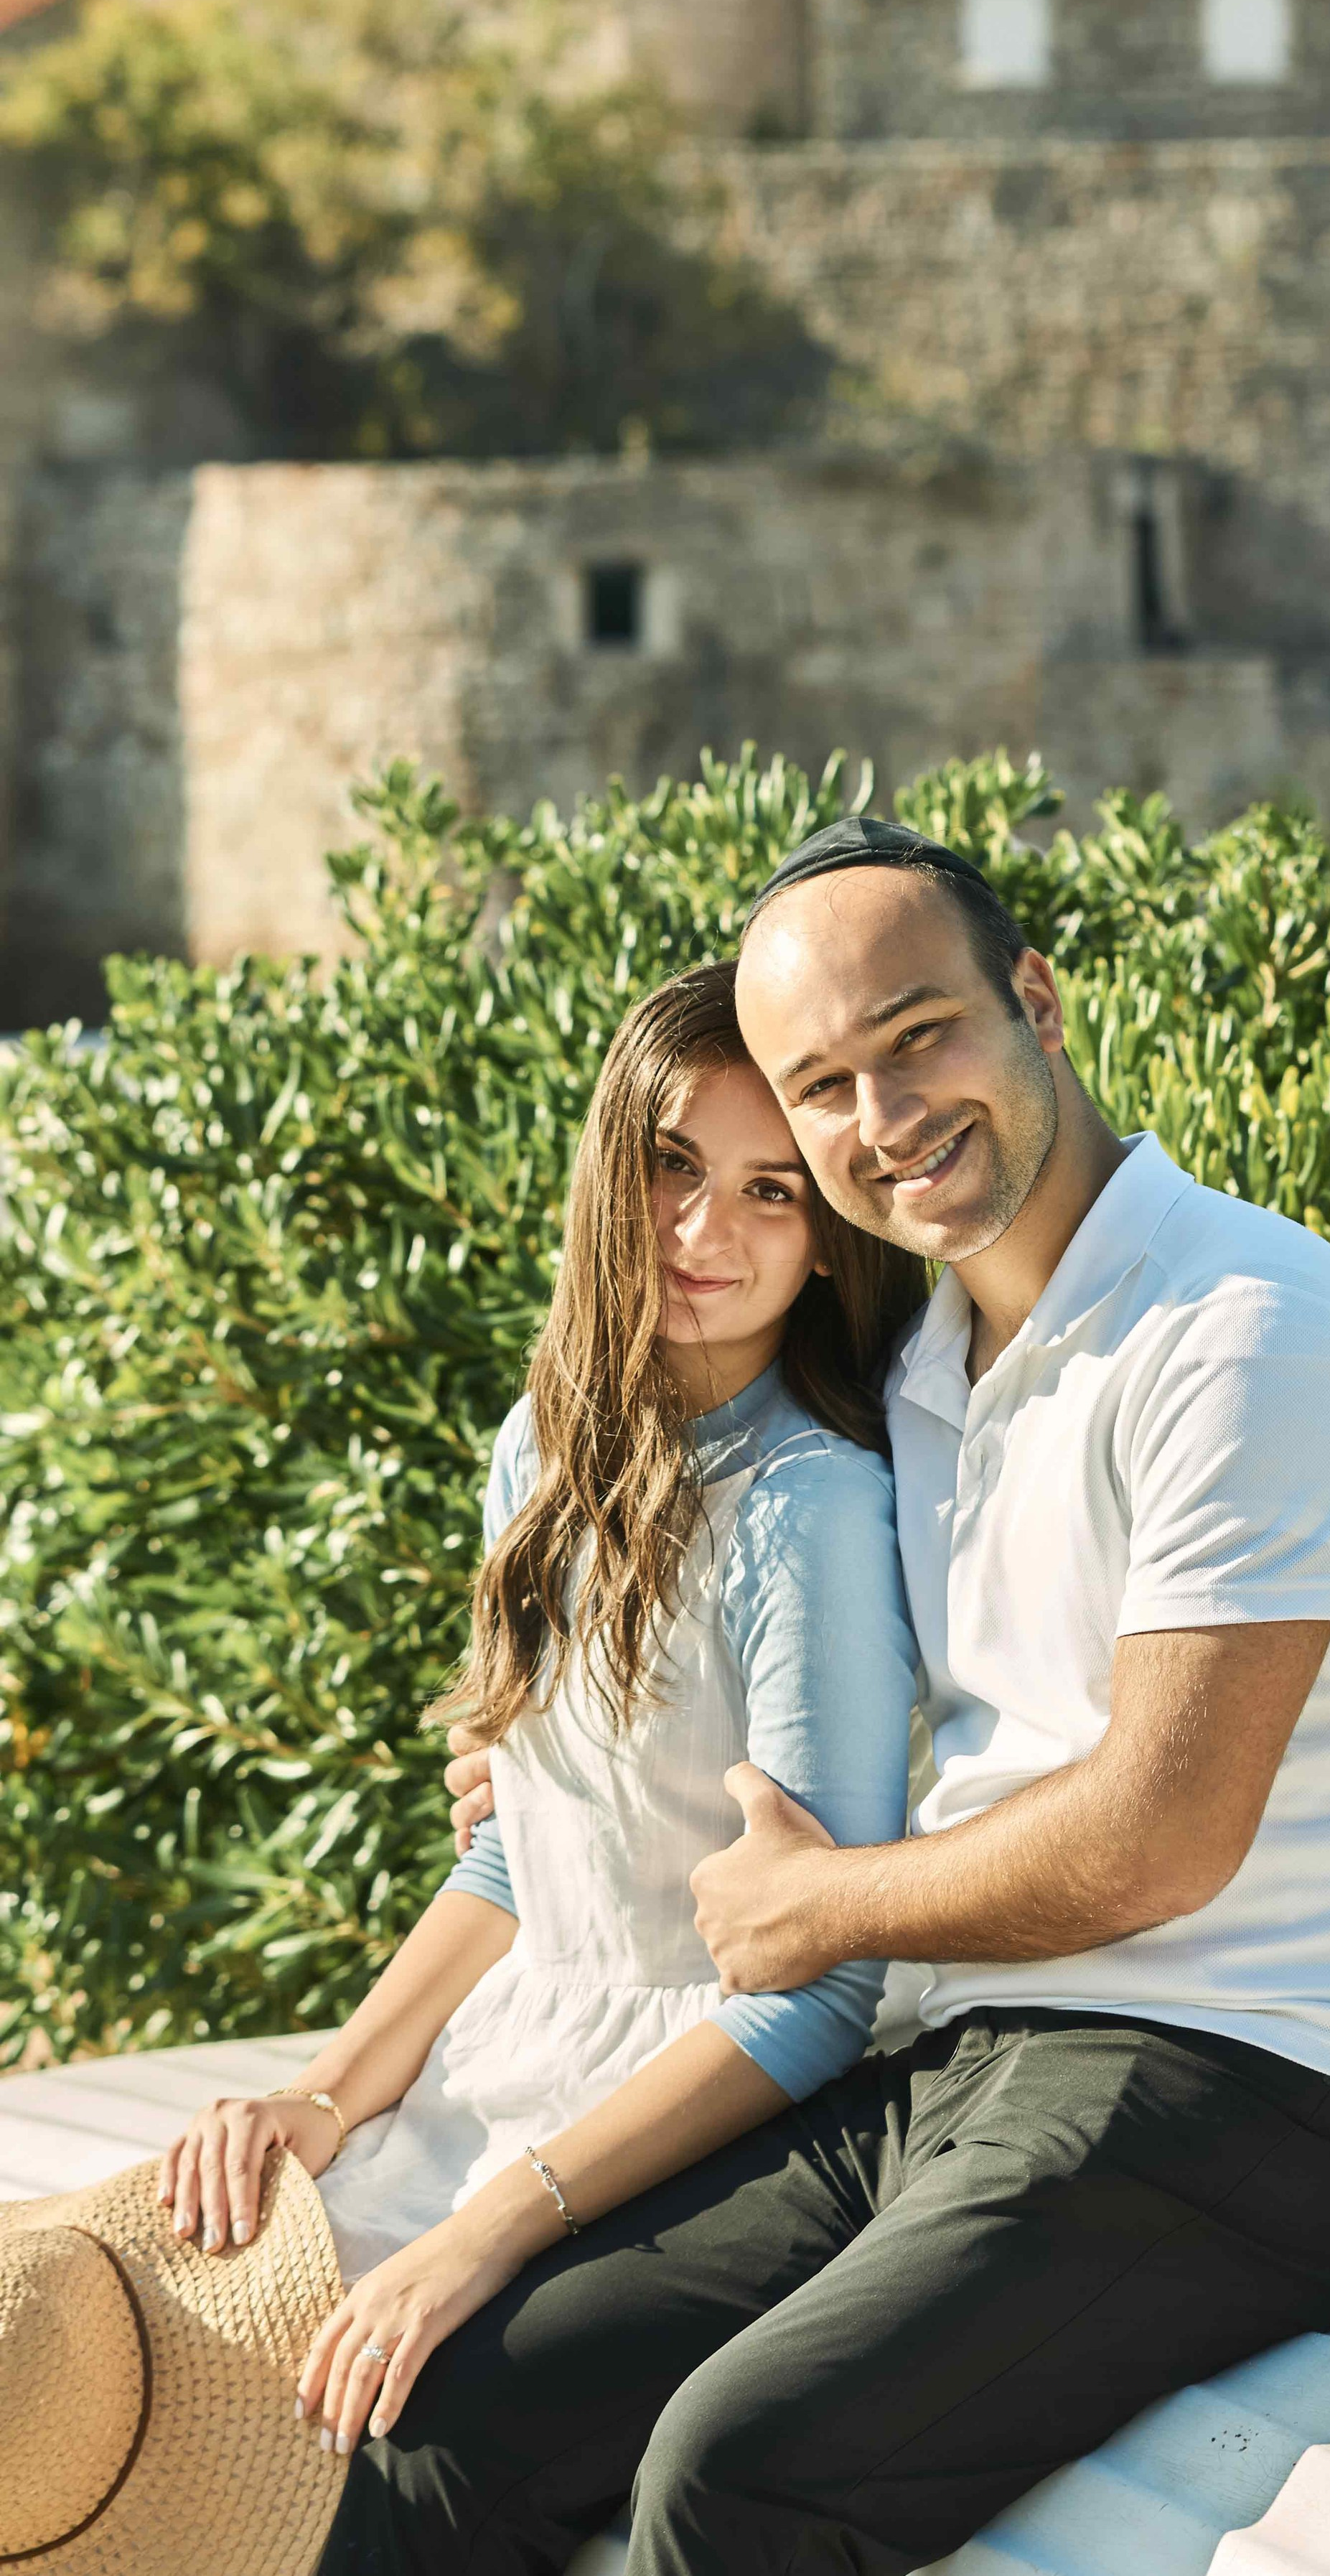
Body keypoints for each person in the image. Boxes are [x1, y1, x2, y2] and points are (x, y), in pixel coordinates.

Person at [332, 817, 1330, 2576]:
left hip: (1271, 2084)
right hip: (967, 2060)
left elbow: (1157, 1835)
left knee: (741, 2468)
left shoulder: (1244, 1326)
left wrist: (818, 1905)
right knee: (450, 2408)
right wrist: (561, 1778)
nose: (883, 1115)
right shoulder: (931, 1370)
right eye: (825, 1085)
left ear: (1033, 996)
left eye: (920, 1035)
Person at [154, 958, 924, 2477]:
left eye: (774, 1194)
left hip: (684, 2106)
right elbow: (515, 1866)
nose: (705, 1234)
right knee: (172, 2318)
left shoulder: (811, 1511)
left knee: (372, 2422)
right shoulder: (540, 1447)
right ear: (608, 1166)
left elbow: (816, 1995)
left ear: (833, 1246)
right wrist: (319, 2095)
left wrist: (487, 2233)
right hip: (501, 2060)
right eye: (671, 1166)